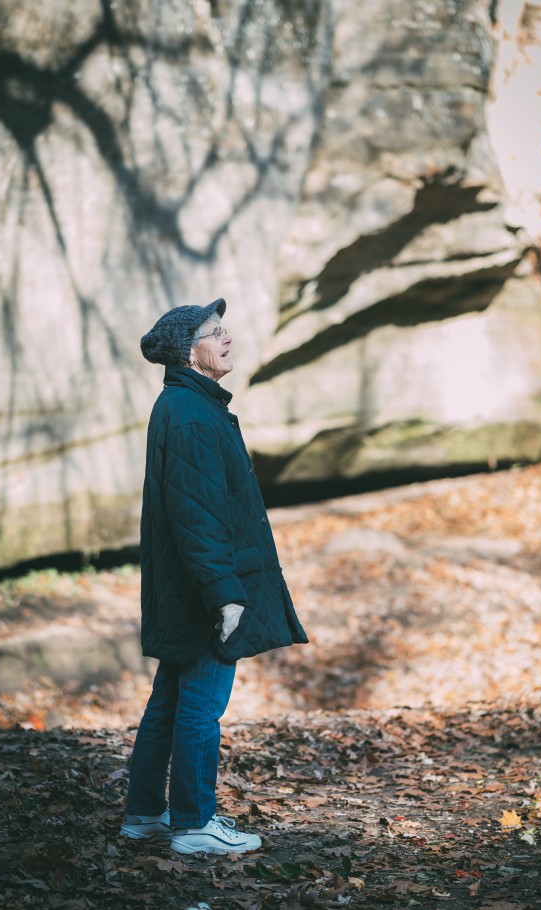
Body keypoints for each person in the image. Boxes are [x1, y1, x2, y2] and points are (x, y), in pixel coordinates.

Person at [119, 297, 308, 856]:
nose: (227, 339)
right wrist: (225, 595)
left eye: (225, 329)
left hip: (183, 588)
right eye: (214, 332)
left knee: (170, 702)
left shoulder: (182, 405)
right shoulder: (194, 415)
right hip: (203, 592)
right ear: (188, 350)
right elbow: (198, 517)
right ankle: (194, 823)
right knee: (202, 703)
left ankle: (145, 813)